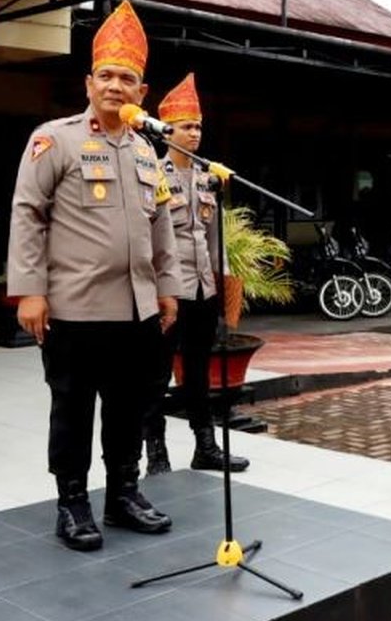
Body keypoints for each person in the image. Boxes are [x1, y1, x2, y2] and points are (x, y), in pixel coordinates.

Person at [8, 0, 178, 552]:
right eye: (105, 76)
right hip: (74, 310)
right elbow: (27, 213)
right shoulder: (54, 140)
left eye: (126, 78)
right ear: (87, 83)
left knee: (130, 407)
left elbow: (164, 230)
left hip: (138, 311)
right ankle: (73, 503)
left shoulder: (150, 154)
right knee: (74, 409)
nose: (115, 86)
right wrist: (30, 291)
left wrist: (169, 289)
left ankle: (123, 494)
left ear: (141, 93)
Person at [140, 73, 249, 477]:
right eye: (187, 126)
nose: (195, 133)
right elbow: (148, 238)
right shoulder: (153, 175)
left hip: (202, 290)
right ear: (167, 130)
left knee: (200, 371)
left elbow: (215, 240)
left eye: (199, 126)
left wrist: (225, 289)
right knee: (157, 373)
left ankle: (206, 445)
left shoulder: (208, 179)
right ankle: (156, 452)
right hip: (168, 291)